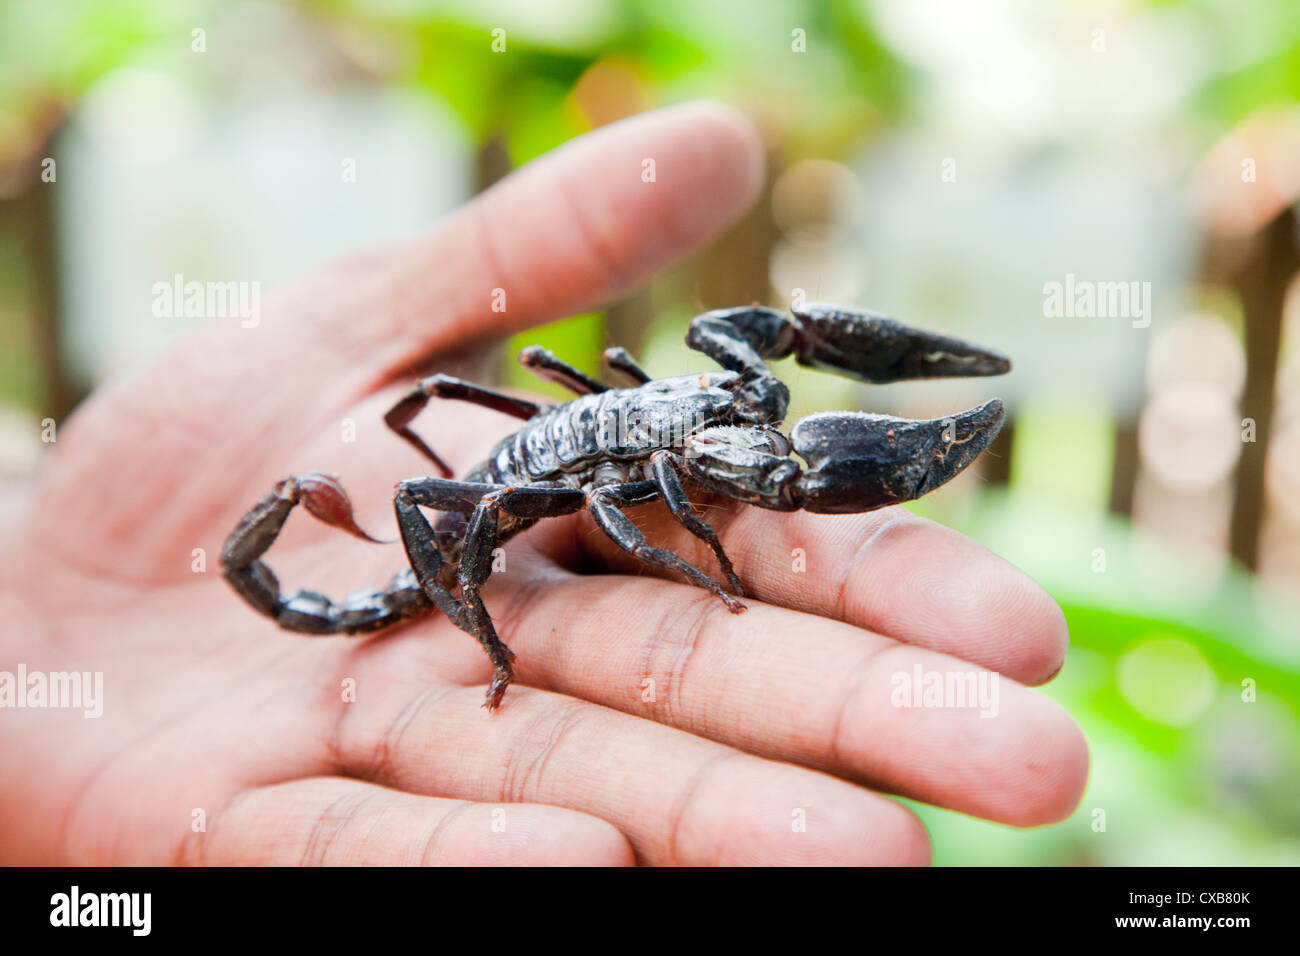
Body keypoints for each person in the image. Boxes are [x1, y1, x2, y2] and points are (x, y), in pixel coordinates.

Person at [0, 102, 1086, 865]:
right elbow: (630, 507)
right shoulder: (671, 455)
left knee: (640, 441)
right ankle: (492, 639)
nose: (756, 402)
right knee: (491, 504)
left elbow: (756, 355)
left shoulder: (703, 389)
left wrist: (784, 352)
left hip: (588, 429)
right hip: (524, 483)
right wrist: (698, 565)